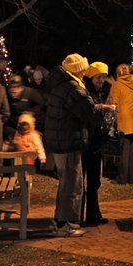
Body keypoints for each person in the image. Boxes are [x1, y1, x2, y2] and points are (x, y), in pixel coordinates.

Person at [45, 53, 95, 237]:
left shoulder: (61, 85)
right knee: (70, 183)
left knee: (69, 182)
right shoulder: (72, 88)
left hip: (62, 140)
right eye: (83, 69)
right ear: (78, 70)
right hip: (68, 142)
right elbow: (87, 110)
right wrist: (103, 109)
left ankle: (64, 220)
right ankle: (61, 223)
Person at [81, 61, 113, 226]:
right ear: (91, 76)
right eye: (98, 77)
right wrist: (102, 109)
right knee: (81, 180)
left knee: (94, 181)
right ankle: (78, 216)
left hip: (96, 141)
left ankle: (93, 214)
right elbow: (87, 112)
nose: (101, 80)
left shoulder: (105, 90)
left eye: (104, 77)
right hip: (84, 141)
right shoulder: (84, 90)